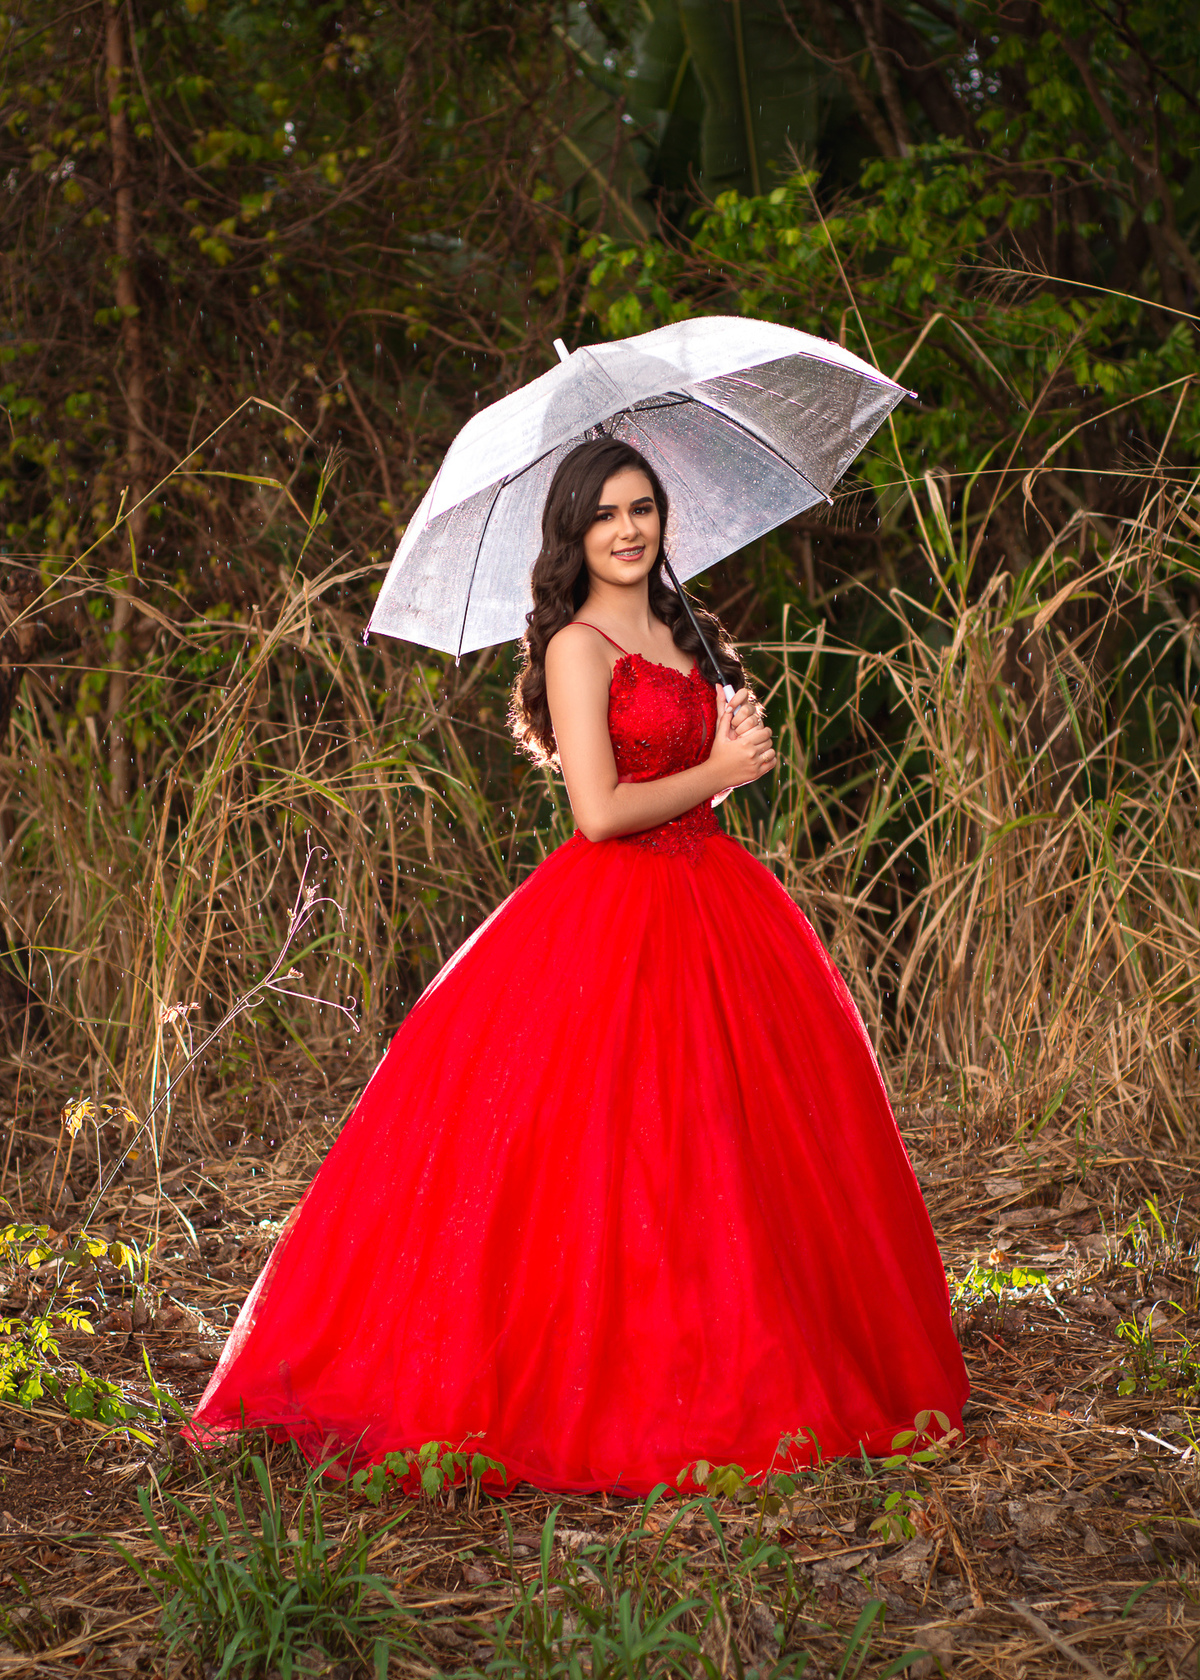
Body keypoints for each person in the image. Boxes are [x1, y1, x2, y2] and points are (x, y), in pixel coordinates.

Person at [190, 438, 968, 1492]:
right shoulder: (577, 645)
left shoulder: (684, 626)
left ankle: (750, 1345)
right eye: (605, 515)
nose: (630, 528)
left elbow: (697, 786)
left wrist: (733, 761)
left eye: (643, 507)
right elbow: (599, 814)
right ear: (574, 533)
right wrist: (716, 767)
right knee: (614, 1142)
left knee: (729, 1140)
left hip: (720, 903)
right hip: (616, 911)